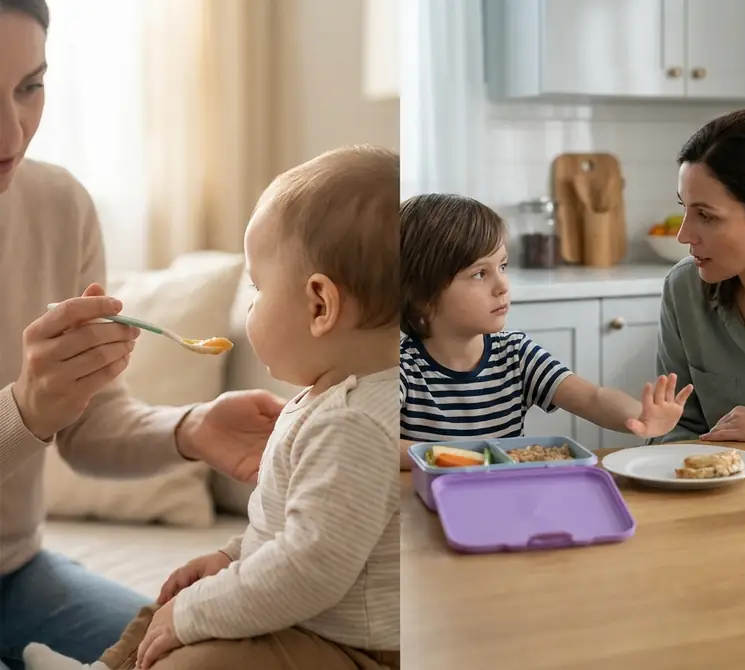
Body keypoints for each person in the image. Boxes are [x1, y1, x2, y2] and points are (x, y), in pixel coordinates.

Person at [25, 146, 406, 670]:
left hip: (349, 647)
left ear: (320, 305)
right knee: (164, 607)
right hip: (314, 623)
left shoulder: (354, 421)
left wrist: (196, 613)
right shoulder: (331, 399)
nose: (251, 303)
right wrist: (232, 559)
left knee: (188, 655)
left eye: (257, 286)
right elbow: (289, 529)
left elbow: (309, 567)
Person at [0, 3, 284, 667]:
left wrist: (190, 430)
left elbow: (90, 427)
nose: (11, 134)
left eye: (28, 87)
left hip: (15, 573)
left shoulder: (59, 207)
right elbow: (37, 416)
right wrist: (26, 410)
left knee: (207, 657)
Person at [394, 193, 692, 455]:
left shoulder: (516, 353)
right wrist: (460, 457)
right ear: (421, 297)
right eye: (479, 274)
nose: (502, 286)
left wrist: (641, 416)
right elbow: (380, 447)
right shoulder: (400, 368)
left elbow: (592, 398)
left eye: (503, 266)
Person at [650, 109, 745, 445]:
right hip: (719, 492)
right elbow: (675, 427)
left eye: (705, 215)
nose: (683, 235)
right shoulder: (683, 289)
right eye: (684, 209)